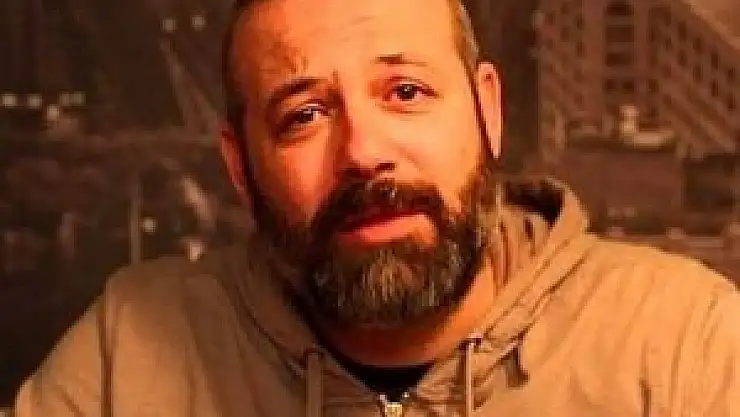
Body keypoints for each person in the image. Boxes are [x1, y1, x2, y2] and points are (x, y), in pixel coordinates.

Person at [14, 0, 740, 416]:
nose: (363, 153)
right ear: (239, 168)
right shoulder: (125, 355)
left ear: (487, 111)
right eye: (304, 115)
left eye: (406, 92)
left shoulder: (686, 346)